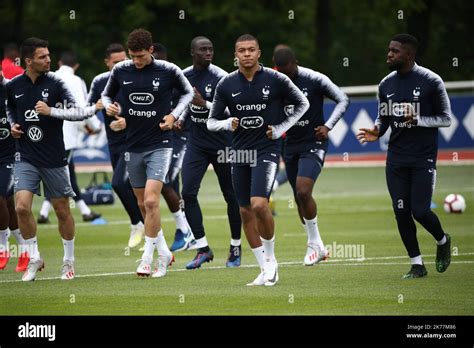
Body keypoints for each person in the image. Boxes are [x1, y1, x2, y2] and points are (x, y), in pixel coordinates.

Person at [207, 34, 309, 286]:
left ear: (259, 52)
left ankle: (272, 260)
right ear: (235, 54)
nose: (247, 54)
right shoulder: (226, 84)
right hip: (239, 151)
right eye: (242, 50)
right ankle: (263, 268)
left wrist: (280, 128)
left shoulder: (276, 79)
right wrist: (226, 123)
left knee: (260, 205)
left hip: (266, 149)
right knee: (244, 210)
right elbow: (211, 121)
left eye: (251, 50)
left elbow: (302, 103)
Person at [356, 33, 452, 279]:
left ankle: (442, 240)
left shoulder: (432, 81)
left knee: (420, 211)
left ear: (409, 55)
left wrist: (418, 119)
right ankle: (417, 264)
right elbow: (384, 117)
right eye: (389, 50)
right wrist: (377, 131)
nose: (389, 54)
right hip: (396, 159)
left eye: (395, 51)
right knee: (400, 210)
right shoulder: (385, 84)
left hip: (423, 158)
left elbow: (445, 118)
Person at [5, 37, 100, 281]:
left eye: (49, 55)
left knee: (61, 210)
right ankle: (34, 257)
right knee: (21, 207)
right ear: (28, 61)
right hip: (25, 155)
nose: (48, 60)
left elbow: (79, 112)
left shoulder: (57, 83)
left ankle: (68, 261)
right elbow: (10, 109)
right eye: (42, 57)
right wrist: (14, 125)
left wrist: (51, 111)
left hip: (55, 157)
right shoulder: (14, 85)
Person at [102, 29, 193, 278]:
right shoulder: (121, 70)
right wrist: (111, 107)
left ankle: (148, 259)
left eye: (140, 56)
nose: (136, 61)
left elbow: (188, 94)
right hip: (132, 145)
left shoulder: (169, 70)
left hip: (161, 143)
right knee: (143, 204)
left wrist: (174, 115)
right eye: (132, 56)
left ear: (150, 50)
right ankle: (164, 251)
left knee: (152, 201)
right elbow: (107, 94)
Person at [274, 47, 349, 265]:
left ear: (295, 63)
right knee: (299, 198)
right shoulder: (274, 81)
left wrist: (328, 126)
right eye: (281, 72)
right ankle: (316, 246)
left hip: (314, 141)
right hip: (289, 144)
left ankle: (314, 244)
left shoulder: (315, 79)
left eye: (288, 72)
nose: (285, 77)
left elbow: (343, 100)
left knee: (303, 191)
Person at [175, 36, 242, 269]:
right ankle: (203, 249)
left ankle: (235, 247)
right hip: (197, 144)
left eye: (211, 49)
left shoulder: (223, 78)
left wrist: (204, 104)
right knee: (188, 193)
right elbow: (186, 103)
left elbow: (232, 113)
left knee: (231, 195)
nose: (208, 53)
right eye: (203, 49)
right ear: (192, 53)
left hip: (224, 144)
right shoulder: (183, 76)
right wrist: (180, 119)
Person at [87, 43, 145, 248]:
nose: (121, 65)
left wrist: (128, 121)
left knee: (119, 183)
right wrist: (96, 107)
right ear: (107, 63)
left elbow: (149, 111)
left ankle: (138, 223)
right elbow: (86, 110)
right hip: (114, 144)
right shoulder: (100, 81)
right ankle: (149, 230)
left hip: (136, 142)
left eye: (124, 61)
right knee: (132, 188)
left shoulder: (136, 79)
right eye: (116, 62)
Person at [37, 50, 102, 224]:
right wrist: (95, 128)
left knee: (65, 173)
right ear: (76, 66)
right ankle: (44, 213)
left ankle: (83, 210)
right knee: (60, 175)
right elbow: (81, 110)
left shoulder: (48, 77)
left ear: (59, 63)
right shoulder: (77, 81)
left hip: (45, 135)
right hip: (65, 137)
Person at [151, 43, 194, 253]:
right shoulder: (147, 78)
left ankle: (184, 230)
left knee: (165, 180)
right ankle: (186, 233)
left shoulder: (174, 77)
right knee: (169, 184)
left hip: (179, 136)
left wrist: (178, 118)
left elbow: (189, 100)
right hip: (157, 137)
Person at [0, 63, 29, 272]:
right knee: (8, 202)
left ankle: (3, 247)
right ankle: (26, 249)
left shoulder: (12, 88)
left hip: (12, 153)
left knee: (2, 196)